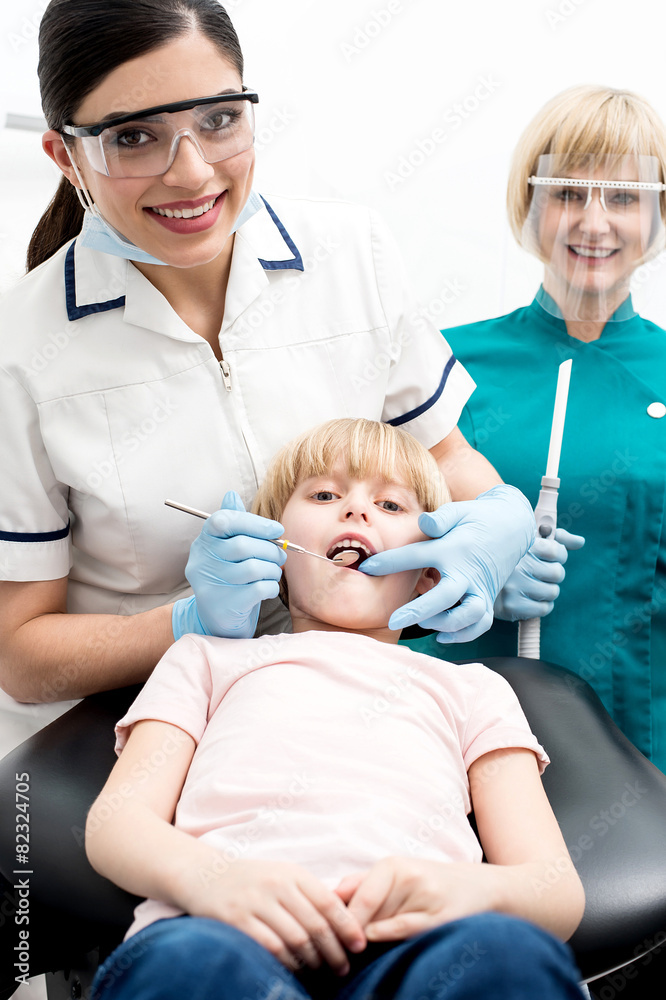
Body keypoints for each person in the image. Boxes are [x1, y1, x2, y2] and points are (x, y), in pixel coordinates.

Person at [0, 0, 534, 740]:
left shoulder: (353, 254)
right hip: (125, 741)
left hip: (346, 720)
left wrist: (497, 521)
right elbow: (20, 654)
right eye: (132, 137)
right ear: (67, 157)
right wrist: (186, 621)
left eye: (218, 120)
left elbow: (445, 455)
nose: (191, 173)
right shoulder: (21, 348)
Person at [84, 417, 586, 1000]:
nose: (355, 511)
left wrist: (468, 892)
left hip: (423, 948)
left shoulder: (473, 689)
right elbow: (116, 824)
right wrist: (212, 881)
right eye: (324, 495)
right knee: (189, 969)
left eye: (392, 505)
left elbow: (553, 890)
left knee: (510, 961)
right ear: (271, 546)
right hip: (221, 931)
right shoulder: (205, 659)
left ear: (431, 571)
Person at [406, 85, 666, 779]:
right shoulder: (437, 368)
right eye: (568, 192)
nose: (593, 221)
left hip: (639, 745)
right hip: (445, 730)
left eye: (623, 197)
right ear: (531, 201)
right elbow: (372, 556)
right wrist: (473, 583)